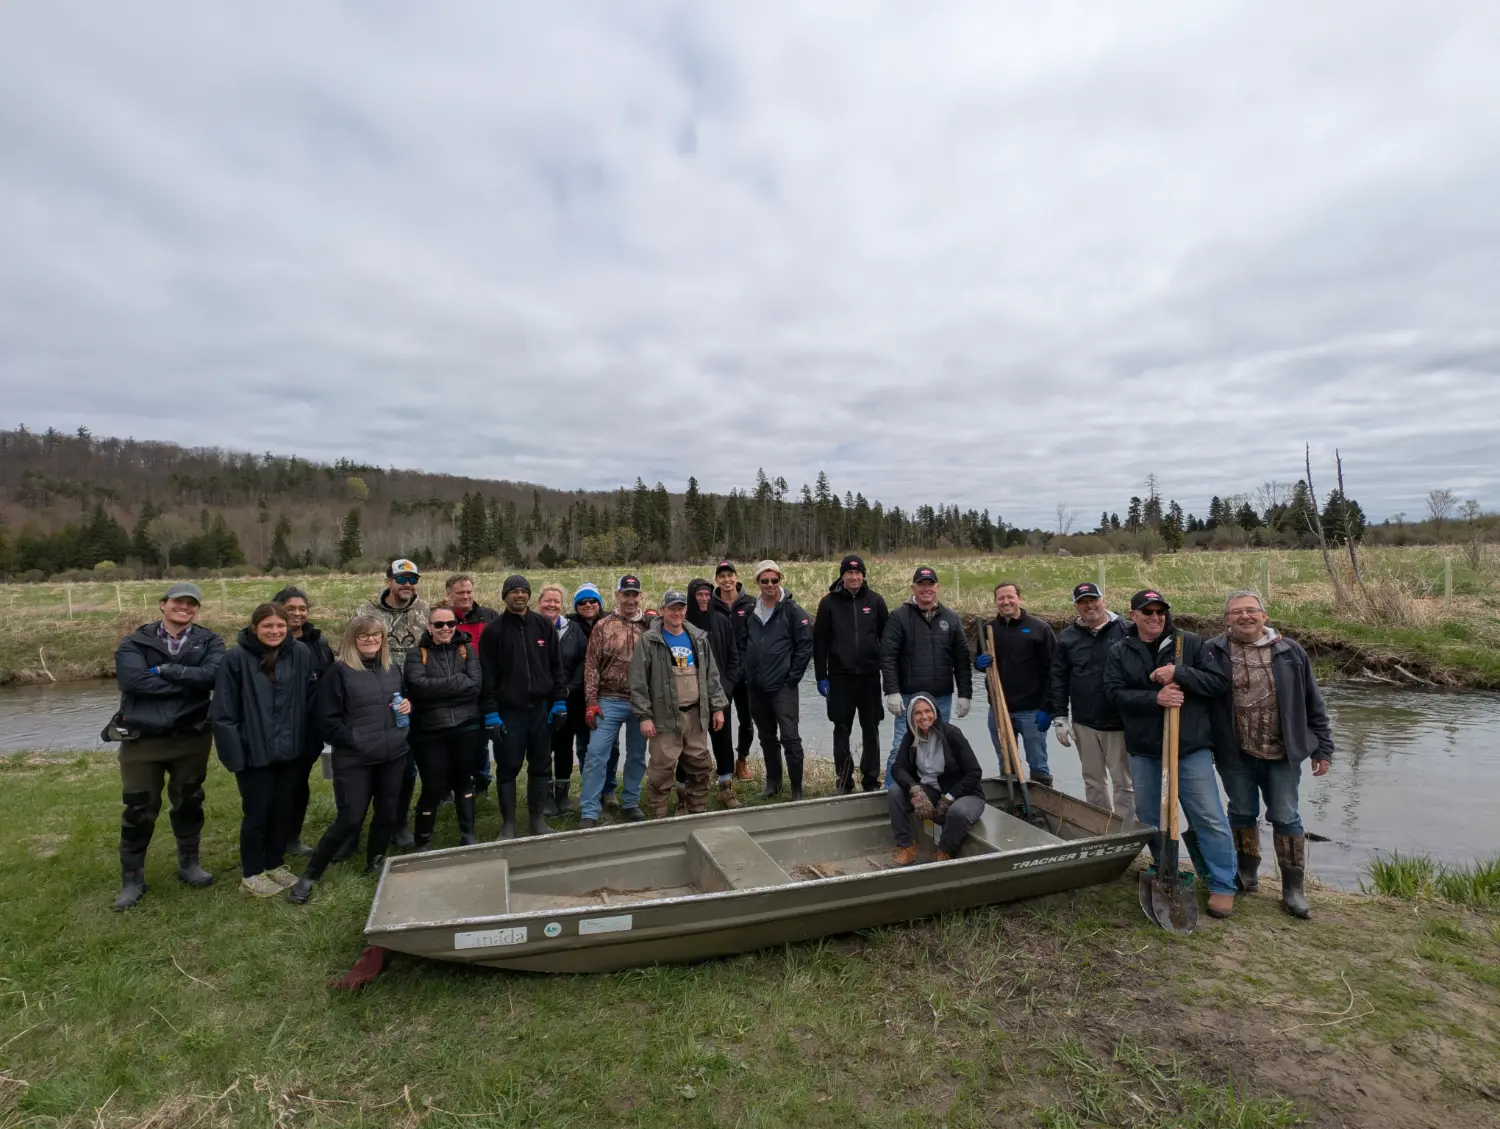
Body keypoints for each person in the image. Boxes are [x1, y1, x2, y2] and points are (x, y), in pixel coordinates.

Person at [1103, 589, 1238, 918]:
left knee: (1208, 816)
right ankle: (1168, 872)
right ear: (1132, 615)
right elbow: (1113, 694)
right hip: (1145, 750)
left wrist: (1180, 674)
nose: (1154, 618)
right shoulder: (1120, 650)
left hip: (1189, 747)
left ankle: (1222, 884)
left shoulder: (1188, 643)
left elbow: (1219, 683)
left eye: (1160, 612)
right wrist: (1155, 699)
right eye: (1146, 612)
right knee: (1151, 817)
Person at [1205, 591, 1335, 919]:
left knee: (1286, 815)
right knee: (1241, 812)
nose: (1244, 617)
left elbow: (1312, 702)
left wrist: (1323, 747)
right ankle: (1247, 874)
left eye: (1251, 611)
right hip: (1234, 753)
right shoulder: (1211, 651)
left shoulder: (1291, 651)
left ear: (1265, 615)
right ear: (1226, 619)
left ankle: (1293, 888)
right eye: (1236, 612)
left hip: (1282, 753)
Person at [106, 581, 224, 910]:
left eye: (192, 604)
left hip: (192, 736)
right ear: (163, 604)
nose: (184, 608)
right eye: (178, 602)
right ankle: (132, 878)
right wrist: (188, 681)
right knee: (138, 808)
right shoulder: (134, 642)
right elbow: (133, 682)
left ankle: (190, 864)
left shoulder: (210, 640)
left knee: (189, 802)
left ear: (197, 609)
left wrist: (167, 671)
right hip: (142, 739)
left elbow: (214, 676)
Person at [287, 616, 411, 904]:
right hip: (355, 758)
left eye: (376, 635)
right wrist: (355, 740)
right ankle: (311, 875)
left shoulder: (393, 669)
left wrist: (407, 706)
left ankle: (376, 861)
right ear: (352, 639)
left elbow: (400, 702)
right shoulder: (338, 672)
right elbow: (327, 721)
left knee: (387, 813)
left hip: (393, 754)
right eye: (364, 636)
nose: (370, 640)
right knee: (349, 818)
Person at [211, 602, 314, 896]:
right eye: (268, 626)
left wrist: (305, 744)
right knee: (257, 813)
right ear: (254, 627)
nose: (275, 631)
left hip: (290, 751)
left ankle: (275, 863)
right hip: (252, 751)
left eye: (280, 625)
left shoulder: (300, 654)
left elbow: (307, 700)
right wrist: (235, 756)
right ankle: (253, 873)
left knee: (283, 810)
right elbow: (223, 713)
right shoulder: (235, 659)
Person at [478, 574, 566, 838]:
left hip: (540, 709)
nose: (519, 595)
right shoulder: (493, 631)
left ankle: (537, 820)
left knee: (540, 765)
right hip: (509, 711)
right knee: (508, 766)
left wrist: (559, 702)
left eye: (523, 591)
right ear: (504, 596)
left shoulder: (543, 626)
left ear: (529, 596)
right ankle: (508, 824)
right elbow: (487, 675)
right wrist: (491, 713)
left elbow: (556, 667)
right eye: (513, 591)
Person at [630, 590, 728, 817]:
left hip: (695, 715)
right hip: (663, 718)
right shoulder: (649, 640)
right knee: (661, 771)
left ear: (686, 610)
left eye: (681, 608)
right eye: (672, 608)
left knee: (700, 767)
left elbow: (711, 676)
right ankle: (659, 816)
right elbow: (638, 682)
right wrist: (644, 716)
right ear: (662, 610)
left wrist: (718, 708)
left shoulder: (698, 639)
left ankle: (697, 810)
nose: (677, 612)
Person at [355, 559, 429, 847]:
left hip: (412, 699)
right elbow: (352, 650)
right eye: (402, 579)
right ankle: (362, 823)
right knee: (371, 766)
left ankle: (399, 822)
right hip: (374, 697)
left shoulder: (424, 611)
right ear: (389, 581)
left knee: (406, 766)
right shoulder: (366, 613)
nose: (407, 584)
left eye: (412, 579)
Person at [879, 566, 971, 787]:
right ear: (913, 588)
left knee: (940, 747)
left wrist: (965, 694)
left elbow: (961, 659)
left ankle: (934, 790)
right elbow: (888, 656)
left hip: (941, 698)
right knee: (900, 747)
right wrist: (892, 691)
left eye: (930, 585)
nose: (926, 589)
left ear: (937, 587)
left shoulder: (951, 619)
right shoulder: (899, 617)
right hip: (909, 697)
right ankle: (892, 792)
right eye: (921, 584)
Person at [403, 600, 483, 850]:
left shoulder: (467, 650)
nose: (446, 628)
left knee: (463, 780)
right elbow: (418, 688)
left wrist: (439, 688)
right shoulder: (415, 654)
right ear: (429, 627)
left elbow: (475, 686)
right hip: (429, 730)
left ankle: (468, 834)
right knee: (433, 785)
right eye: (439, 624)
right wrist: (457, 681)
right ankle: (423, 840)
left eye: (451, 623)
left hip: (466, 725)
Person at [1047, 583, 1133, 815]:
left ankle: (1126, 830)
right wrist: (1060, 717)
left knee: (1124, 782)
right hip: (1084, 721)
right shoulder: (1067, 637)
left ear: (1103, 600)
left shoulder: (1127, 630)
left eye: (1093, 600)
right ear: (1076, 606)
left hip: (1119, 723)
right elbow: (1058, 678)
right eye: (1082, 602)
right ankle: (1101, 828)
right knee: (1093, 780)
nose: (1089, 606)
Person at [578, 575, 653, 828]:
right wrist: (591, 701)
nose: (630, 599)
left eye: (634, 594)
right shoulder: (604, 625)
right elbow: (591, 665)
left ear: (640, 596)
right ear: (618, 596)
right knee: (596, 753)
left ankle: (630, 803)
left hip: (641, 702)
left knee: (637, 755)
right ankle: (589, 809)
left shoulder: (650, 625)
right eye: (626, 594)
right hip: (608, 700)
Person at [813, 554, 889, 793]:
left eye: (858, 573)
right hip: (839, 677)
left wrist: (888, 675)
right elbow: (820, 643)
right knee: (842, 729)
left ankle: (870, 780)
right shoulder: (828, 603)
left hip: (869, 677)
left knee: (871, 728)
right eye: (849, 573)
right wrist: (820, 676)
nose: (854, 577)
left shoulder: (876, 602)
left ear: (863, 575)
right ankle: (844, 779)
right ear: (842, 576)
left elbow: (886, 641)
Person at [741, 560, 814, 800]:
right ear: (758, 583)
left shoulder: (793, 610)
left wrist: (792, 677)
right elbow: (742, 644)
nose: (770, 585)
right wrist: (746, 672)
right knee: (766, 737)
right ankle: (773, 783)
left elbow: (805, 646)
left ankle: (797, 789)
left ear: (779, 580)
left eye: (774, 580)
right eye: (765, 580)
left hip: (783, 687)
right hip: (757, 686)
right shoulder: (751, 611)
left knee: (790, 737)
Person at [273, 585, 336, 857]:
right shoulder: (269, 641)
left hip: (310, 727)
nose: (297, 614)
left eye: (302, 609)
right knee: (275, 785)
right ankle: (270, 839)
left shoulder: (318, 642)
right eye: (291, 609)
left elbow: (331, 678)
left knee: (299, 783)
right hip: (277, 727)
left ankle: (292, 837)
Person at [887, 694, 986, 865]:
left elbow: (974, 772)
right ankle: (906, 846)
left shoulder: (951, 734)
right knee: (895, 792)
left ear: (935, 712)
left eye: (927, 711)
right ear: (911, 716)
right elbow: (898, 768)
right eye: (918, 713)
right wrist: (915, 789)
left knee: (958, 812)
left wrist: (949, 797)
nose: (923, 717)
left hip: (965, 793)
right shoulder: (911, 737)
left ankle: (944, 851)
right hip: (931, 790)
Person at [975, 581, 1057, 786]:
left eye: (1010, 597)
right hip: (999, 709)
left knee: (1038, 762)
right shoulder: (988, 630)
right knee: (1006, 762)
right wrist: (979, 663)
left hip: (1031, 710)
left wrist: (1049, 707)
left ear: (1019, 598)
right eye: (1001, 598)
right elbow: (979, 662)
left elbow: (1054, 671)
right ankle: (1012, 800)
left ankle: (1042, 798)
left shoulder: (1040, 629)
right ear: (996, 602)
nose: (1006, 601)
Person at [686, 578, 742, 808]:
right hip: (689, 697)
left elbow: (733, 659)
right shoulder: (683, 622)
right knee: (688, 743)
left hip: (719, 695)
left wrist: (727, 688)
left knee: (723, 740)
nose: (704, 599)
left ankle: (725, 786)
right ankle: (688, 790)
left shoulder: (721, 621)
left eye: (708, 595)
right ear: (691, 596)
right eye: (699, 594)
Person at [445, 572, 499, 794]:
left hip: (484, 691)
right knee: (452, 743)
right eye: (460, 593)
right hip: (454, 691)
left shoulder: (489, 616)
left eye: (468, 591)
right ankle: (450, 787)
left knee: (480, 743)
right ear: (449, 594)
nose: (465, 596)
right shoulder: (444, 619)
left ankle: (481, 783)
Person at [712, 560, 759, 780]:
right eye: (722, 576)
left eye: (730, 575)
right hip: (722, 676)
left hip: (747, 673)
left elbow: (758, 638)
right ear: (717, 580)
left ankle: (742, 759)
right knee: (721, 722)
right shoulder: (710, 605)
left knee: (747, 721)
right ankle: (725, 764)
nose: (727, 580)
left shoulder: (751, 603)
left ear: (736, 577)